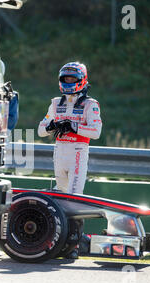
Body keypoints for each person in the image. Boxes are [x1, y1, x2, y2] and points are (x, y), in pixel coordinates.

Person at [37, 61, 102, 258]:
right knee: (60, 201)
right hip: (59, 152)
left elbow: (96, 131)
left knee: (74, 199)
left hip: (78, 152)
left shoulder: (91, 105)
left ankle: (73, 247)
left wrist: (73, 127)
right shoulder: (56, 103)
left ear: (82, 80)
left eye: (72, 78)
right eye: (66, 78)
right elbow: (41, 130)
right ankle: (61, 243)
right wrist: (54, 125)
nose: (69, 81)